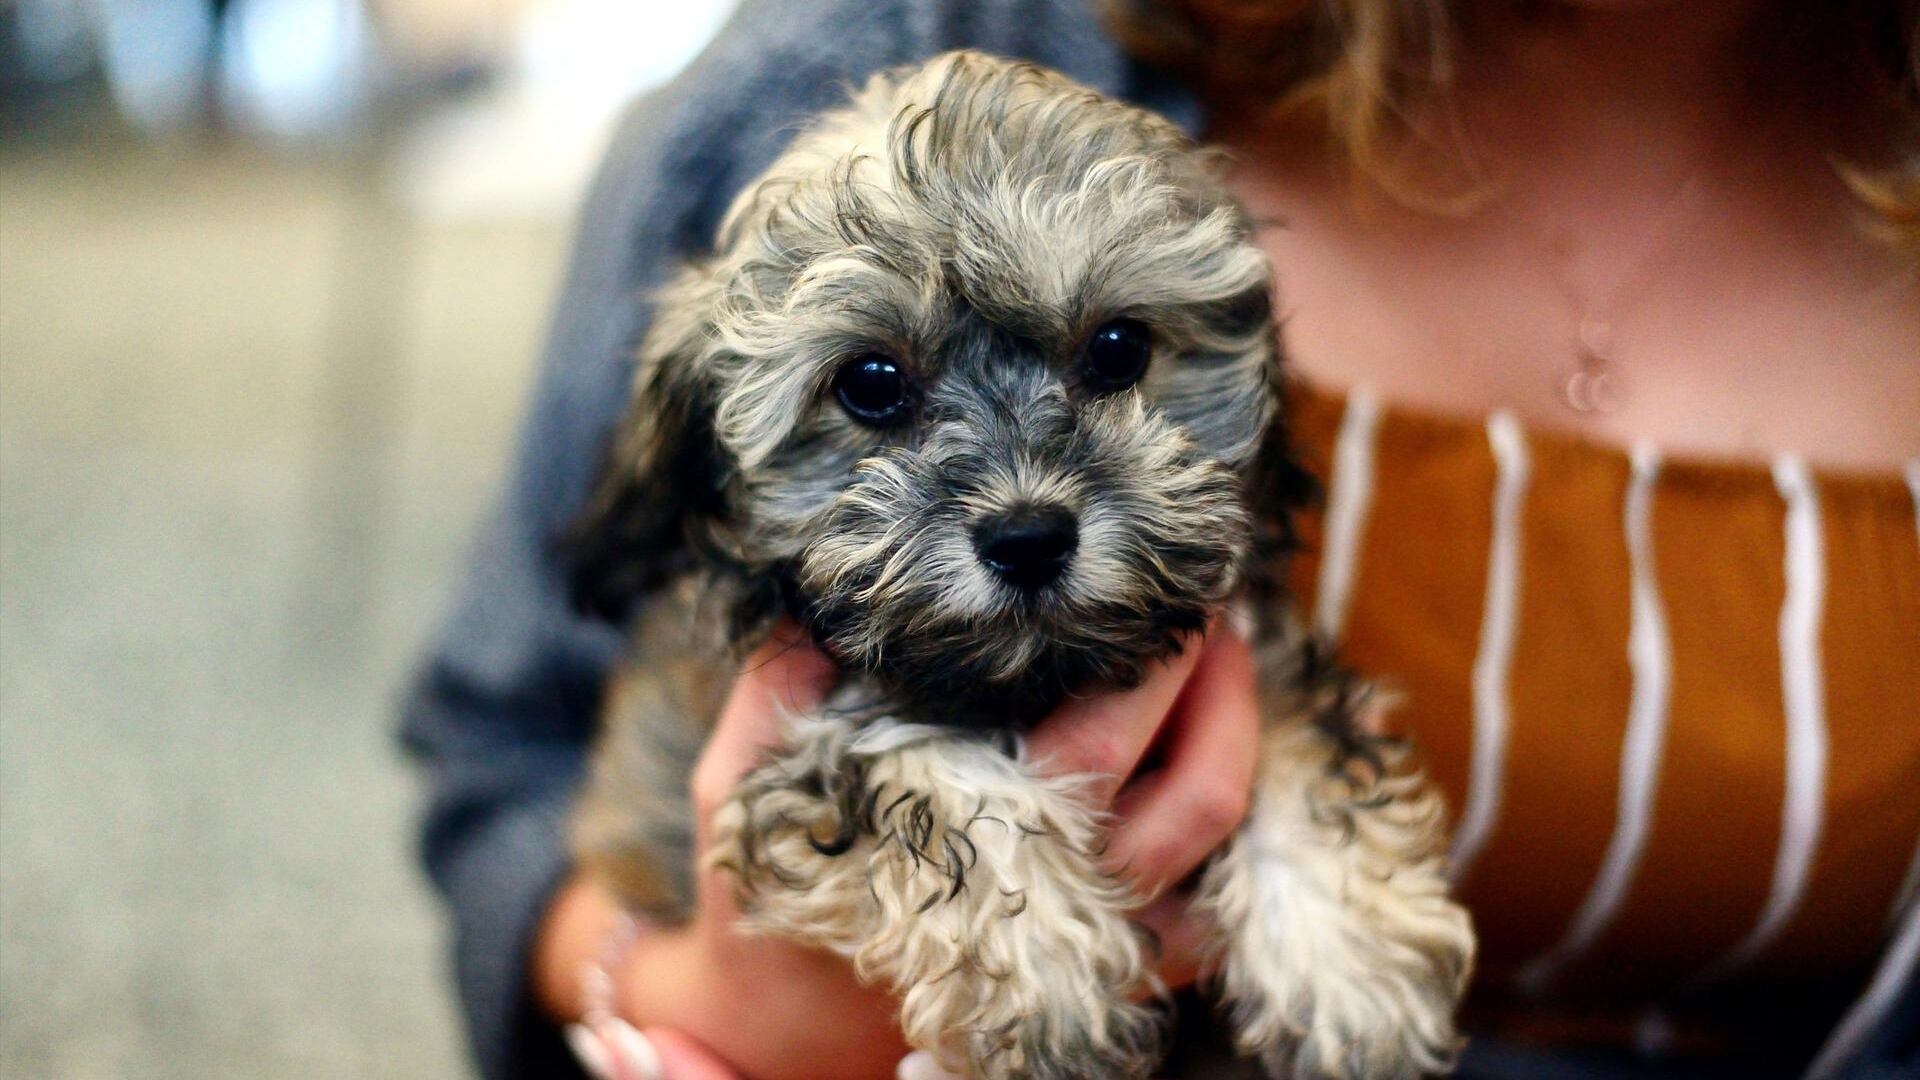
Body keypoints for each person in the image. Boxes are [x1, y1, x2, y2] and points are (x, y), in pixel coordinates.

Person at [400, 1, 1920, 1078]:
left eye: (1111, 359)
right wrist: (668, 996)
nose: (1022, 493)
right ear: (702, 454)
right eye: (879, 391)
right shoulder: (834, 61)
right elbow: (503, 758)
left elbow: (1302, 749)